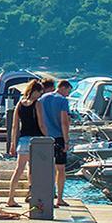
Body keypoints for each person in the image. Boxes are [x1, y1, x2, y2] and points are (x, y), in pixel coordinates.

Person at [4, 79, 44, 207]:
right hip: (35, 140)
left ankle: (11, 198)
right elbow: (41, 124)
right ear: (35, 91)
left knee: (19, 169)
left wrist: (12, 144)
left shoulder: (20, 104)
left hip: (23, 140)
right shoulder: (37, 104)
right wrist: (48, 137)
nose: (41, 95)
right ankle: (33, 195)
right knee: (35, 170)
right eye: (40, 92)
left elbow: (15, 126)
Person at [39, 78, 73, 206]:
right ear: (63, 88)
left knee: (47, 169)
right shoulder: (62, 100)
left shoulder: (43, 98)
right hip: (58, 137)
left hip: (44, 137)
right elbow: (64, 122)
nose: (68, 95)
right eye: (68, 91)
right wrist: (66, 140)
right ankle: (59, 198)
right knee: (61, 169)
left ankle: (47, 197)